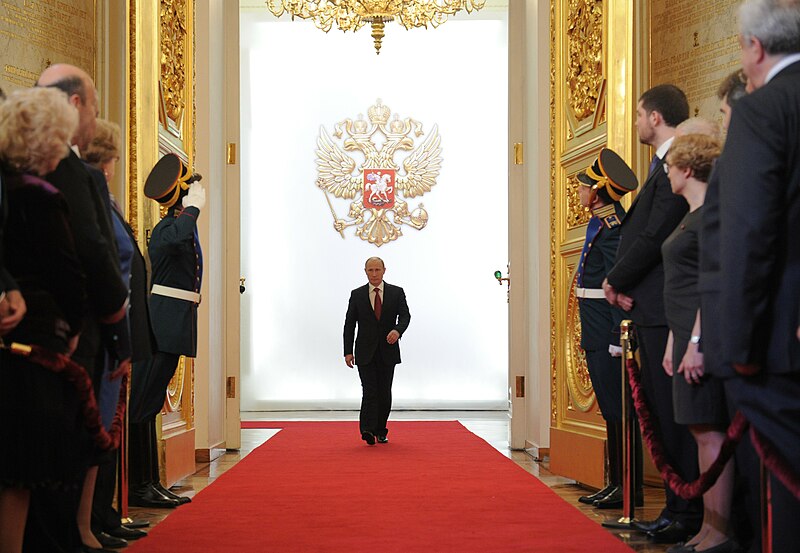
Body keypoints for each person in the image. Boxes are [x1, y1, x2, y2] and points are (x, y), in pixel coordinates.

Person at [707, 1, 800, 550]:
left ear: (754, 49)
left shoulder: (762, 111)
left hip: (774, 339)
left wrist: (737, 346)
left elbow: (747, 233)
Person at [31, 63, 130, 553]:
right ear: (75, 105)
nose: (94, 116)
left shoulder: (30, 170)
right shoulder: (69, 173)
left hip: (51, 332)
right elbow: (93, 254)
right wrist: (119, 333)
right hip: (74, 333)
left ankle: (78, 529)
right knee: (63, 446)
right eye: (93, 105)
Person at [602, 84, 703, 544]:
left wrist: (615, 280)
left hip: (666, 311)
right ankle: (675, 509)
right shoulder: (661, 167)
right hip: (650, 307)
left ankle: (686, 513)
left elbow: (653, 237)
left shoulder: (674, 167)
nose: (638, 122)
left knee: (674, 418)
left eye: (640, 115)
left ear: (656, 117)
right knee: (661, 417)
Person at [0, 87, 87, 553]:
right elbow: (67, 275)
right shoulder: (41, 197)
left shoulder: (6, 190)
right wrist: (73, 330)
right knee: (24, 472)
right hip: (35, 345)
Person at [661, 133, 737, 553]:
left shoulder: (710, 215)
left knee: (711, 436)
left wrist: (695, 342)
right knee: (699, 434)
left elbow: (711, 286)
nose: (666, 172)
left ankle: (720, 532)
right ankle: (707, 528)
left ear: (687, 170)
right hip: (685, 335)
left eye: (671, 166)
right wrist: (676, 339)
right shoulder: (691, 215)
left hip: (702, 340)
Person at [84, 119, 151, 544]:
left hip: (117, 326)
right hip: (101, 329)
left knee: (111, 424)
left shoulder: (104, 199)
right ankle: (90, 520)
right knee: (99, 425)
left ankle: (103, 514)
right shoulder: (91, 195)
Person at [128, 153, 205, 508]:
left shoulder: (175, 228)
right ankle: (140, 486)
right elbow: (177, 239)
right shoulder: (165, 232)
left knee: (149, 406)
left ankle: (150, 482)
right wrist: (192, 210)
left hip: (174, 319)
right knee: (142, 408)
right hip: (163, 321)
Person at [572, 149, 642, 509]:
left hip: (607, 332)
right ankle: (615, 481)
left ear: (597, 192)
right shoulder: (599, 222)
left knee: (618, 409)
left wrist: (618, 337)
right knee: (610, 409)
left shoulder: (613, 227)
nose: (581, 193)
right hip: (596, 329)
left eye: (584, 187)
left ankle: (626, 485)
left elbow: (619, 285)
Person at [343, 257, 410, 445]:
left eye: (377, 270)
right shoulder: (357, 294)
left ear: (384, 271)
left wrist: (397, 331)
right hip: (364, 352)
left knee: (384, 391)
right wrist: (348, 351)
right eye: (370, 270)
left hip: (388, 351)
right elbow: (349, 324)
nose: (374, 274)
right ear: (365, 271)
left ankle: (381, 430)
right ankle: (367, 430)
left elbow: (405, 316)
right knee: (369, 391)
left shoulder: (397, 293)